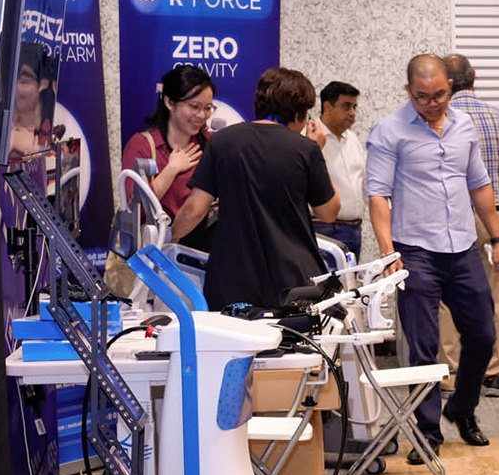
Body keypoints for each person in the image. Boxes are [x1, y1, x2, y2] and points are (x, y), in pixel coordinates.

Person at [366, 54, 499, 459]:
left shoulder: (464, 126)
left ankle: (462, 407)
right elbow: (378, 196)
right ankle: (427, 432)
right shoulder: (389, 131)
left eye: (440, 95)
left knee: (483, 336)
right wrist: (389, 254)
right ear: (408, 91)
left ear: (451, 87)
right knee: (423, 346)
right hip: (415, 251)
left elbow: (479, 184)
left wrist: (497, 238)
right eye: (422, 97)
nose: (433, 104)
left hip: (463, 248)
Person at [171, 67, 339, 311]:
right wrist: (316, 153)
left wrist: (170, 236)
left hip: (232, 279)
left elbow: (194, 210)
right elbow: (329, 212)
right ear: (298, 113)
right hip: (291, 279)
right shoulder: (305, 149)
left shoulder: (222, 141)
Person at [442, 54, 499, 398]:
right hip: (495, 217)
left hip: (450, 217)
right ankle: (497, 372)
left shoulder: (440, 119)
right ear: (474, 75)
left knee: (448, 298)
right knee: (498, 295)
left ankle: (451, 373)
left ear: (445, 82)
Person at [122, 63, 215, 249]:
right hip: (156, 251)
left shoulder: (211, 143)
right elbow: (136, 210)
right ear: (169, 102)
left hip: (203, 251)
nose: (201, 115)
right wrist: (171, 169)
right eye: (194, 106)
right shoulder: (142, 145)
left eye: (208, 108)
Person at [313, 81, 366, 259]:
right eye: (346, 106)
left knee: (350, 278)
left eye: (354, 107)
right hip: (325, 229)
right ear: (328, 107)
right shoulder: (311, 137)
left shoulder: (353, 139)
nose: (352, 113)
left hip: (354, 230)